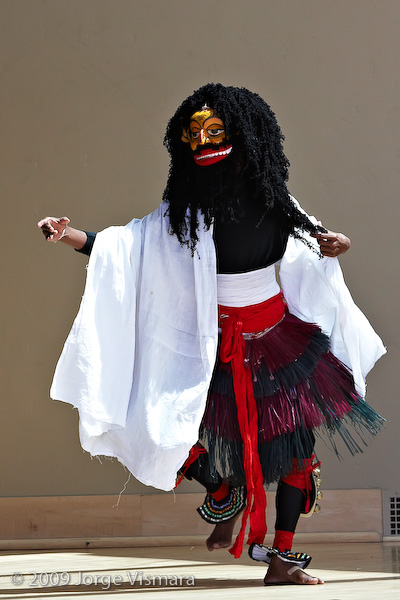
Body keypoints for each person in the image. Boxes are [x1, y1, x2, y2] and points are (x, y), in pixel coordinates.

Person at [38, 83, 385, 586]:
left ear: (246, 136)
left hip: (278, 344)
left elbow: (316, 239)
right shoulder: (183, 214)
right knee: (162, 424)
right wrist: (68, 234)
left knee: (297, 451)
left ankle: (282, 559)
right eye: (193, 134)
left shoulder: (275, 201)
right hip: (209, 346)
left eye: (214, 132)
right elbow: (125, 245)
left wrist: (340, 243)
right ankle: (223, 492)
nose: (202, 142)